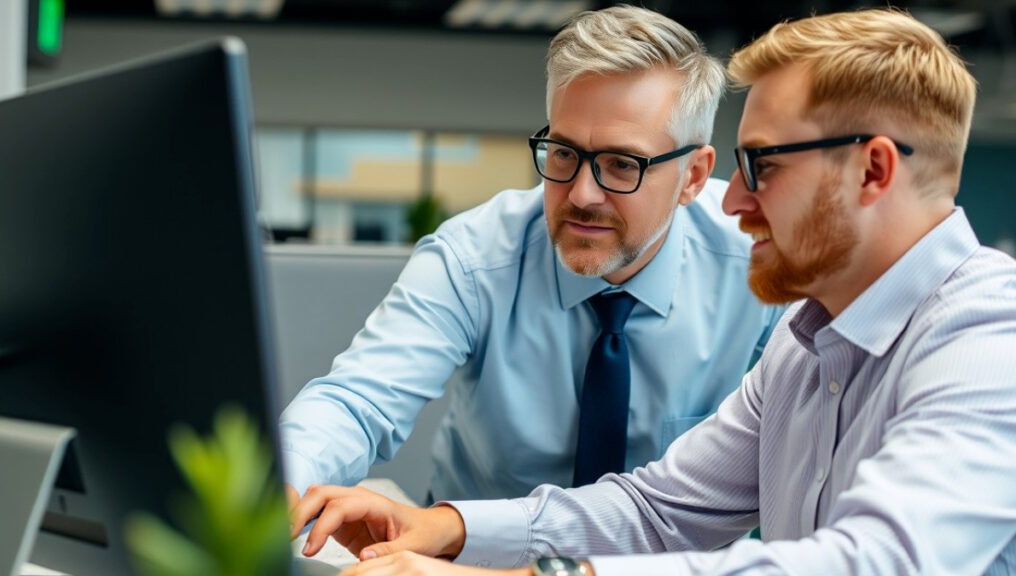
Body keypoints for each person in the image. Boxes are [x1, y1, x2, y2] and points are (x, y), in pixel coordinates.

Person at [289, 8, 1016, 576]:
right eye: (565, 155)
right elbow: (659, 509)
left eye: (762, 166)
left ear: (874, 171)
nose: (736, 204)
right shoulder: (809, 341)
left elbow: (873, 562)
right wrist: (450, 527)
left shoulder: (991, 336)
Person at [280, 4, 782, 507]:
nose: (583, 193)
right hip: (475, 556)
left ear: (692, 176)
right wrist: (281, 484)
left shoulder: (760, 256)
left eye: (621, 164)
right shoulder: (475, 257)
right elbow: (359, 399)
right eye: (564, 153)